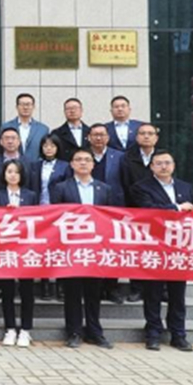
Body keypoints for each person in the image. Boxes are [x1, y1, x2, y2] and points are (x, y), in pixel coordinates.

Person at [130, 150, 193, 352]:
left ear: (174, 165)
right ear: (151, 166)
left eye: (167, 163)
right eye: (159, 163)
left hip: (179, 248)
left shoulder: (185, 187)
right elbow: (149, 210)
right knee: (153, 293)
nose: (163, 166)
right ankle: (153, 334)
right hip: (154, 247)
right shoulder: (141, 187)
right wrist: (177, 208)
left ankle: (178, 335)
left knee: (178, 295)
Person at [51, 148, 114, 350]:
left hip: (95, 250)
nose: (83, 163)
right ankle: (74, 331)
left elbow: (110, 218)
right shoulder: (61, 188)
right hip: (71, 249)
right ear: (71, 164)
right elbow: (55, 217)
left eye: (87, 159)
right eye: (78, 159)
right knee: (72, 292)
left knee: (94, 293)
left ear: (93, 164)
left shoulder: (104, 189)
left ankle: (95, 331)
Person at [0, 160, 39, 348]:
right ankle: (10, 328)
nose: (12, 175)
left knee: (27, 291)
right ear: (4, 174)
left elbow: (39, 219)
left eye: (16, 172)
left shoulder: (31, 196)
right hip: (5, 250)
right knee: (7, 291)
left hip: (26, 250)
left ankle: (25, 329)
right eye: (9, 171)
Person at [87, 123, 128, 305]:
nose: (98, 138)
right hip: (87, 210)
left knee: (111, 248)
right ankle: (94, 288)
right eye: (95, 135)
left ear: (108, 137)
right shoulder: (82, 156)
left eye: (102, 135)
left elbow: (125, 182)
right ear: (88, 137)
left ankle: (111, 287)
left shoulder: (119, 157)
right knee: (91, 248)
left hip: (113, 208)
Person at [119, 122, 158, 302]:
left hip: (159, 211)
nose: (146, 136)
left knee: (158, 251)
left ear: (156, 138)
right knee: (136, 251)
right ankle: (137, 287)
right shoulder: (128, 158)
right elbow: (125, 183)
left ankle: (161, 288)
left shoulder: (163, 157)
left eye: (150, 133)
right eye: (142, 133)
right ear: (136, 137)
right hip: (135, 211)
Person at [28, 134, 71, 300]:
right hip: (39, 211)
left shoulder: (65, 166)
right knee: (42, 248)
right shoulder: (35, 165)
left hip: (58, 212)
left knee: (59, 247)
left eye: (52, 145)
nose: (49, 149)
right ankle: (44, 283)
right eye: (45, 145)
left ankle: (61, 284)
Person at [1, 93, 49, 160]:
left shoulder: (43, 129)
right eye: (22, 104)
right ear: (17, 107)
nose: (25, 107)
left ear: (33, 107)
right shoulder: (6, 126)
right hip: (12, 164)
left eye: (28, 104)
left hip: (35, 165)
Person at [0, 127, 30, 195]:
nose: (10, 141)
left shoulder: (29, 162)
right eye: (6, 138)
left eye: (13, 138)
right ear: (1, 142)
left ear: (19, 141)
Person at [51, 98, 91, 162]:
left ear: (81, 111)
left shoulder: (90, 132)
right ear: (64, 112)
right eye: (68, 108)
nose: (72, 111)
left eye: (75, 108)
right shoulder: (57, 133)